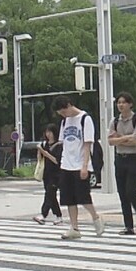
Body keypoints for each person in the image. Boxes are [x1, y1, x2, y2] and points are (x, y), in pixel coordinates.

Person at [52, 96, 105, 240]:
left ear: (69, 105)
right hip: (66, 164)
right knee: (69, 198)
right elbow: (63, 143)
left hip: (80, 164)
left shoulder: (85, 119)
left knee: (83, 197)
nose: (63, 115)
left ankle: (96, 217)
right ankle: (74, 227)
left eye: (64, 112)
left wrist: (84, 166)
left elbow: (88, 144)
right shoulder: (65, 121)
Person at [108, 92, 136, 235]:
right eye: (118, 102)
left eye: (123, 102)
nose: (121, 105)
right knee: (122, 193)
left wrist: (120, 138)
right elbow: (110, 141)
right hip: (120, 158)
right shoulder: (115, 121)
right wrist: (126, 138)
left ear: (130, 104)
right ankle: (128, 225)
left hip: (135, 158)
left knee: (131, 191)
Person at [32, 123, 64, 225]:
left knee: (49, 193)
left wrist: (44, 152)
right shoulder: (44, 144)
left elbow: (56, 161)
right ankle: (58, 216)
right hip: (46, 173)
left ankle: (43, 214)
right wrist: (39, 152)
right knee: (51, 195)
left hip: (56, 174)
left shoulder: (59, 145)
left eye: (50, 132)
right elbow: (40, 159)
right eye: (46, 132)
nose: (48, 134)